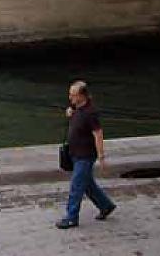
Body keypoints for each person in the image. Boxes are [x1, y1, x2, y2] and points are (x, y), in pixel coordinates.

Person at [56, 80, 116, 229]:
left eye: (73, 95)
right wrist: (70, 113)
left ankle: (71, 217)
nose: (70, 97)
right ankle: (106, 206)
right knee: (88, 185)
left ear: (82, 96)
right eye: (70, 94)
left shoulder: (91, 113)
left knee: (76, 186)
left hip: (85, 156)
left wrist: (101, 156)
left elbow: (98, 134)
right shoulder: (76, 108)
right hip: (74, 153)